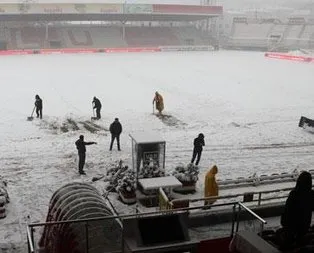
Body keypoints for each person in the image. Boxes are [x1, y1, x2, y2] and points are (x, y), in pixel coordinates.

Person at [277, 171, 314, 250]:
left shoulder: (294, 194)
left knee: (287, 244)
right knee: (300, 243)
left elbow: (287, 209)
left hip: (291, 225)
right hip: (304, 226)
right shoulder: (311, 194)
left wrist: (284, 223)